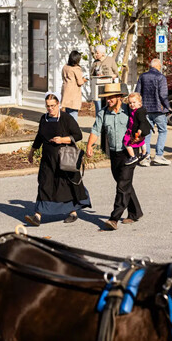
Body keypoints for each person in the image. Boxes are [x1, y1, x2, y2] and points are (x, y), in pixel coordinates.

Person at [24, 92, 92, 226]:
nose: (50, 109)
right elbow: (39, 136)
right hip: (48, 158)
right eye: (48, 106)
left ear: (58, 104)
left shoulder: (66, 118)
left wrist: (62, 140)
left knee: (65, 185)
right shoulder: (44, 118)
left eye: (53, 106)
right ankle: (37, 216)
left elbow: (78, 135)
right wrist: (32, 151)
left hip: (64, 157)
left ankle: (73, 212)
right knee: (44, 184)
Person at [86, 83, 143, 231]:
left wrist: (140, 138)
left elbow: (143, 124)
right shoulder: (103, 113)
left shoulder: (129, 110)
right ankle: (135, 212)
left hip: (129, 153)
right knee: (124, 183)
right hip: (114, 153)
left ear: (119, 97)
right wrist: (89, 146)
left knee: (122, 185)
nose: (108, 100)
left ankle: (114, 218)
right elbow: (95, 129)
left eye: (111, 97)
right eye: (106, 98)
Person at [135, 58, 170, 166]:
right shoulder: (161, 77)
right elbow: (163, 95)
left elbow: (137, 93)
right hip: (158, 110)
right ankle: (159, 155)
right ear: (159, 66)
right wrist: (168, 107)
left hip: (145, 109)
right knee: (162, 131)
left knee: (147, 133)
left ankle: (146, 157)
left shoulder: (142, 76)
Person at [123, 92, 151, 165]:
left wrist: (139, 130)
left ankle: (133, 156)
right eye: (130, 103)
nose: (132, 104)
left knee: (126, 142)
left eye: (134, 102)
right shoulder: (138, 110)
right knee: (142, 141)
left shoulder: (139, 112)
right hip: (138, 130)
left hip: (136, 130)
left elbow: (142, 121)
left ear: (139, 103)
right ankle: (144, 153)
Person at [90, 45, 118, 114]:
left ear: (103, 53)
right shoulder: (95, 62)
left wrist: (111, 76)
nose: (95, 54)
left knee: (109, 106)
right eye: (95, 53)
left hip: (108, 87)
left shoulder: (110, 60)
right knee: (99, 108)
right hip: (98, 89)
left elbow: (116, 73)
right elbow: (91, 75)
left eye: (97, 53)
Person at [61, 50, 87, 121]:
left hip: (66, 91)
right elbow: (80, 82)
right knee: (73, 113)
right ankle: (73, 130)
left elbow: (63, 77)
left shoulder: (65, 67)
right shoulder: (76, 69)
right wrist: (84, 79)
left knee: (67, 112)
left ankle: (67, 129)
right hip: (74, 93)